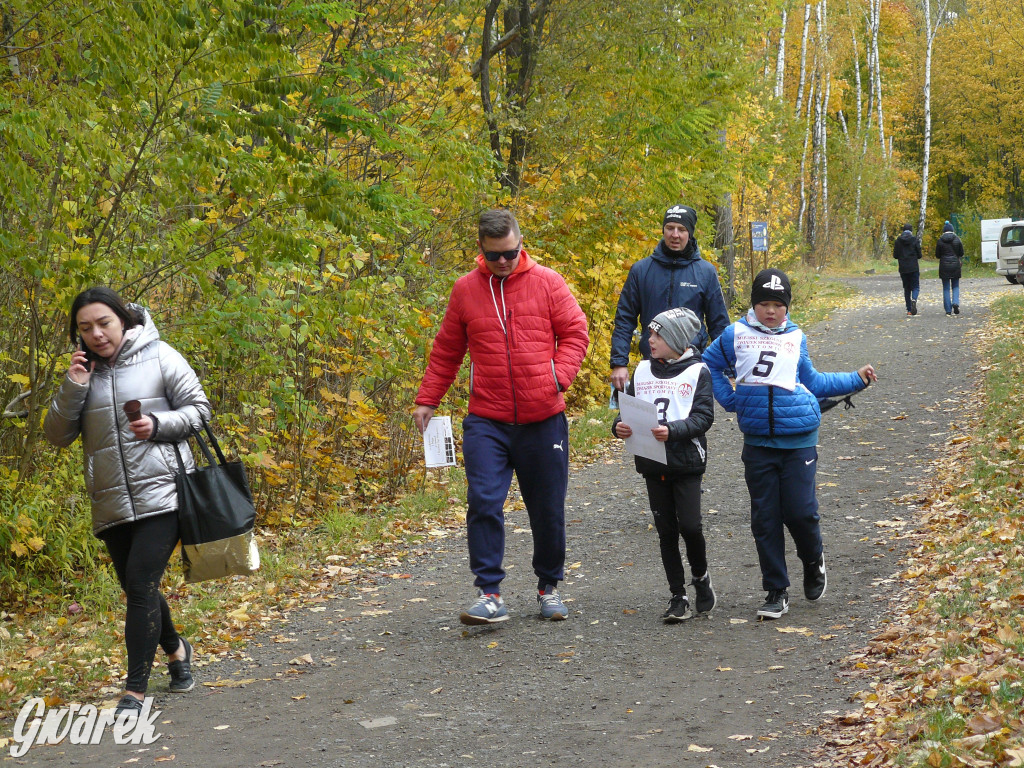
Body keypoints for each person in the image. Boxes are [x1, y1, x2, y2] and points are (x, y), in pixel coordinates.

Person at [412, 209, 590, 625]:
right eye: (495, 256)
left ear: (520, 244)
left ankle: (549, 587)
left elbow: (576, 332)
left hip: (543, 416)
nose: (505, 262)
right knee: (484, 501)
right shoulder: (465, 291)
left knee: (547, 508)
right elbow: (447, 350)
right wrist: (428, 400)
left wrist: (557, 376)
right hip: (487, 419)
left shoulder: (548, 282)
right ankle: (489, 593)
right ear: (481, 251)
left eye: (511, 253)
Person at [44, 286, 211, 714]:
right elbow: (56, 436)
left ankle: (135, 688)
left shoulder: (160, 355)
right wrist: (74, 385)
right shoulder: (82, 373)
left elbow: (199, 410)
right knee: (137, 587)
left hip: (165, 492)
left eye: (104, 323)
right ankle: (176, 650)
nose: (97, 334)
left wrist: (157, 423)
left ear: (123, 319)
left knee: (139, 585)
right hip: (111, 500)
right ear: (77, 333)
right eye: (86, 328)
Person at [703, 269, 877, 620]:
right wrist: (731, 400)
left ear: (787, 307)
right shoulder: (734, 334)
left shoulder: (796, 336)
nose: (770, 311)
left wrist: (855, 380)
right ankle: (776, 590)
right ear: (754, 304)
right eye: (764, 304)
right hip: (757, 442)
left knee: (800, 512)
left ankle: (813, 563)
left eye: (777, 305)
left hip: (798, 440)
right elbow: (709, 365)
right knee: (765, 519)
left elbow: (812, 380)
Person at [612, 307, 716, 622]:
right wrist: (618, 426)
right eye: (651, 333)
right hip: (651, 462)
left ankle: (700, 576)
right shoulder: (641, 370)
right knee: (666, 531)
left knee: (690, 526)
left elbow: (703, 417)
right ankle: (677, 595)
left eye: (657, 335)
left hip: (685, 462)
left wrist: (673, 431)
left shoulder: (699, 372)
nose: (650, 339)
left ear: (676, 339)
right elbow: (626, 411)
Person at [610, 204, 730, 392]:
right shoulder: (641, 270)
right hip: (651, 365)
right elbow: (624, 319)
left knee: (691, 421)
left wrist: (728, 366)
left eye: (681, 229)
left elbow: (719, 323)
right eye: (670, 228)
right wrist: (619, 362)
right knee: (646, 422)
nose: (675, 234)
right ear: (663, 230)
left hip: (691, 366)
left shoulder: (705, 272)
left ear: (690, 233)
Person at [892, 223, 923, 316]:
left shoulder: (898, 241)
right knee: (916, 286)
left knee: (907, 289)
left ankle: (909, 310)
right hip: (913, 267)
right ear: (911, 231)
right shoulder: (914, 240)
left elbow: (895, 255)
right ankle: (914, 299)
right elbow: (920, 255)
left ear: (903, 231)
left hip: (903, 268)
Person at [935, 220, 964, 315]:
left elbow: (937, 255)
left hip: (944, 266)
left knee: (946, 288)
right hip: (955, 265)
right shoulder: (957, 239)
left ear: (944, 231)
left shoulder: (940, 241)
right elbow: (961, 253)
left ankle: (948, 310)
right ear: (952, 230)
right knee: (955, 286)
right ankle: (955, 302)